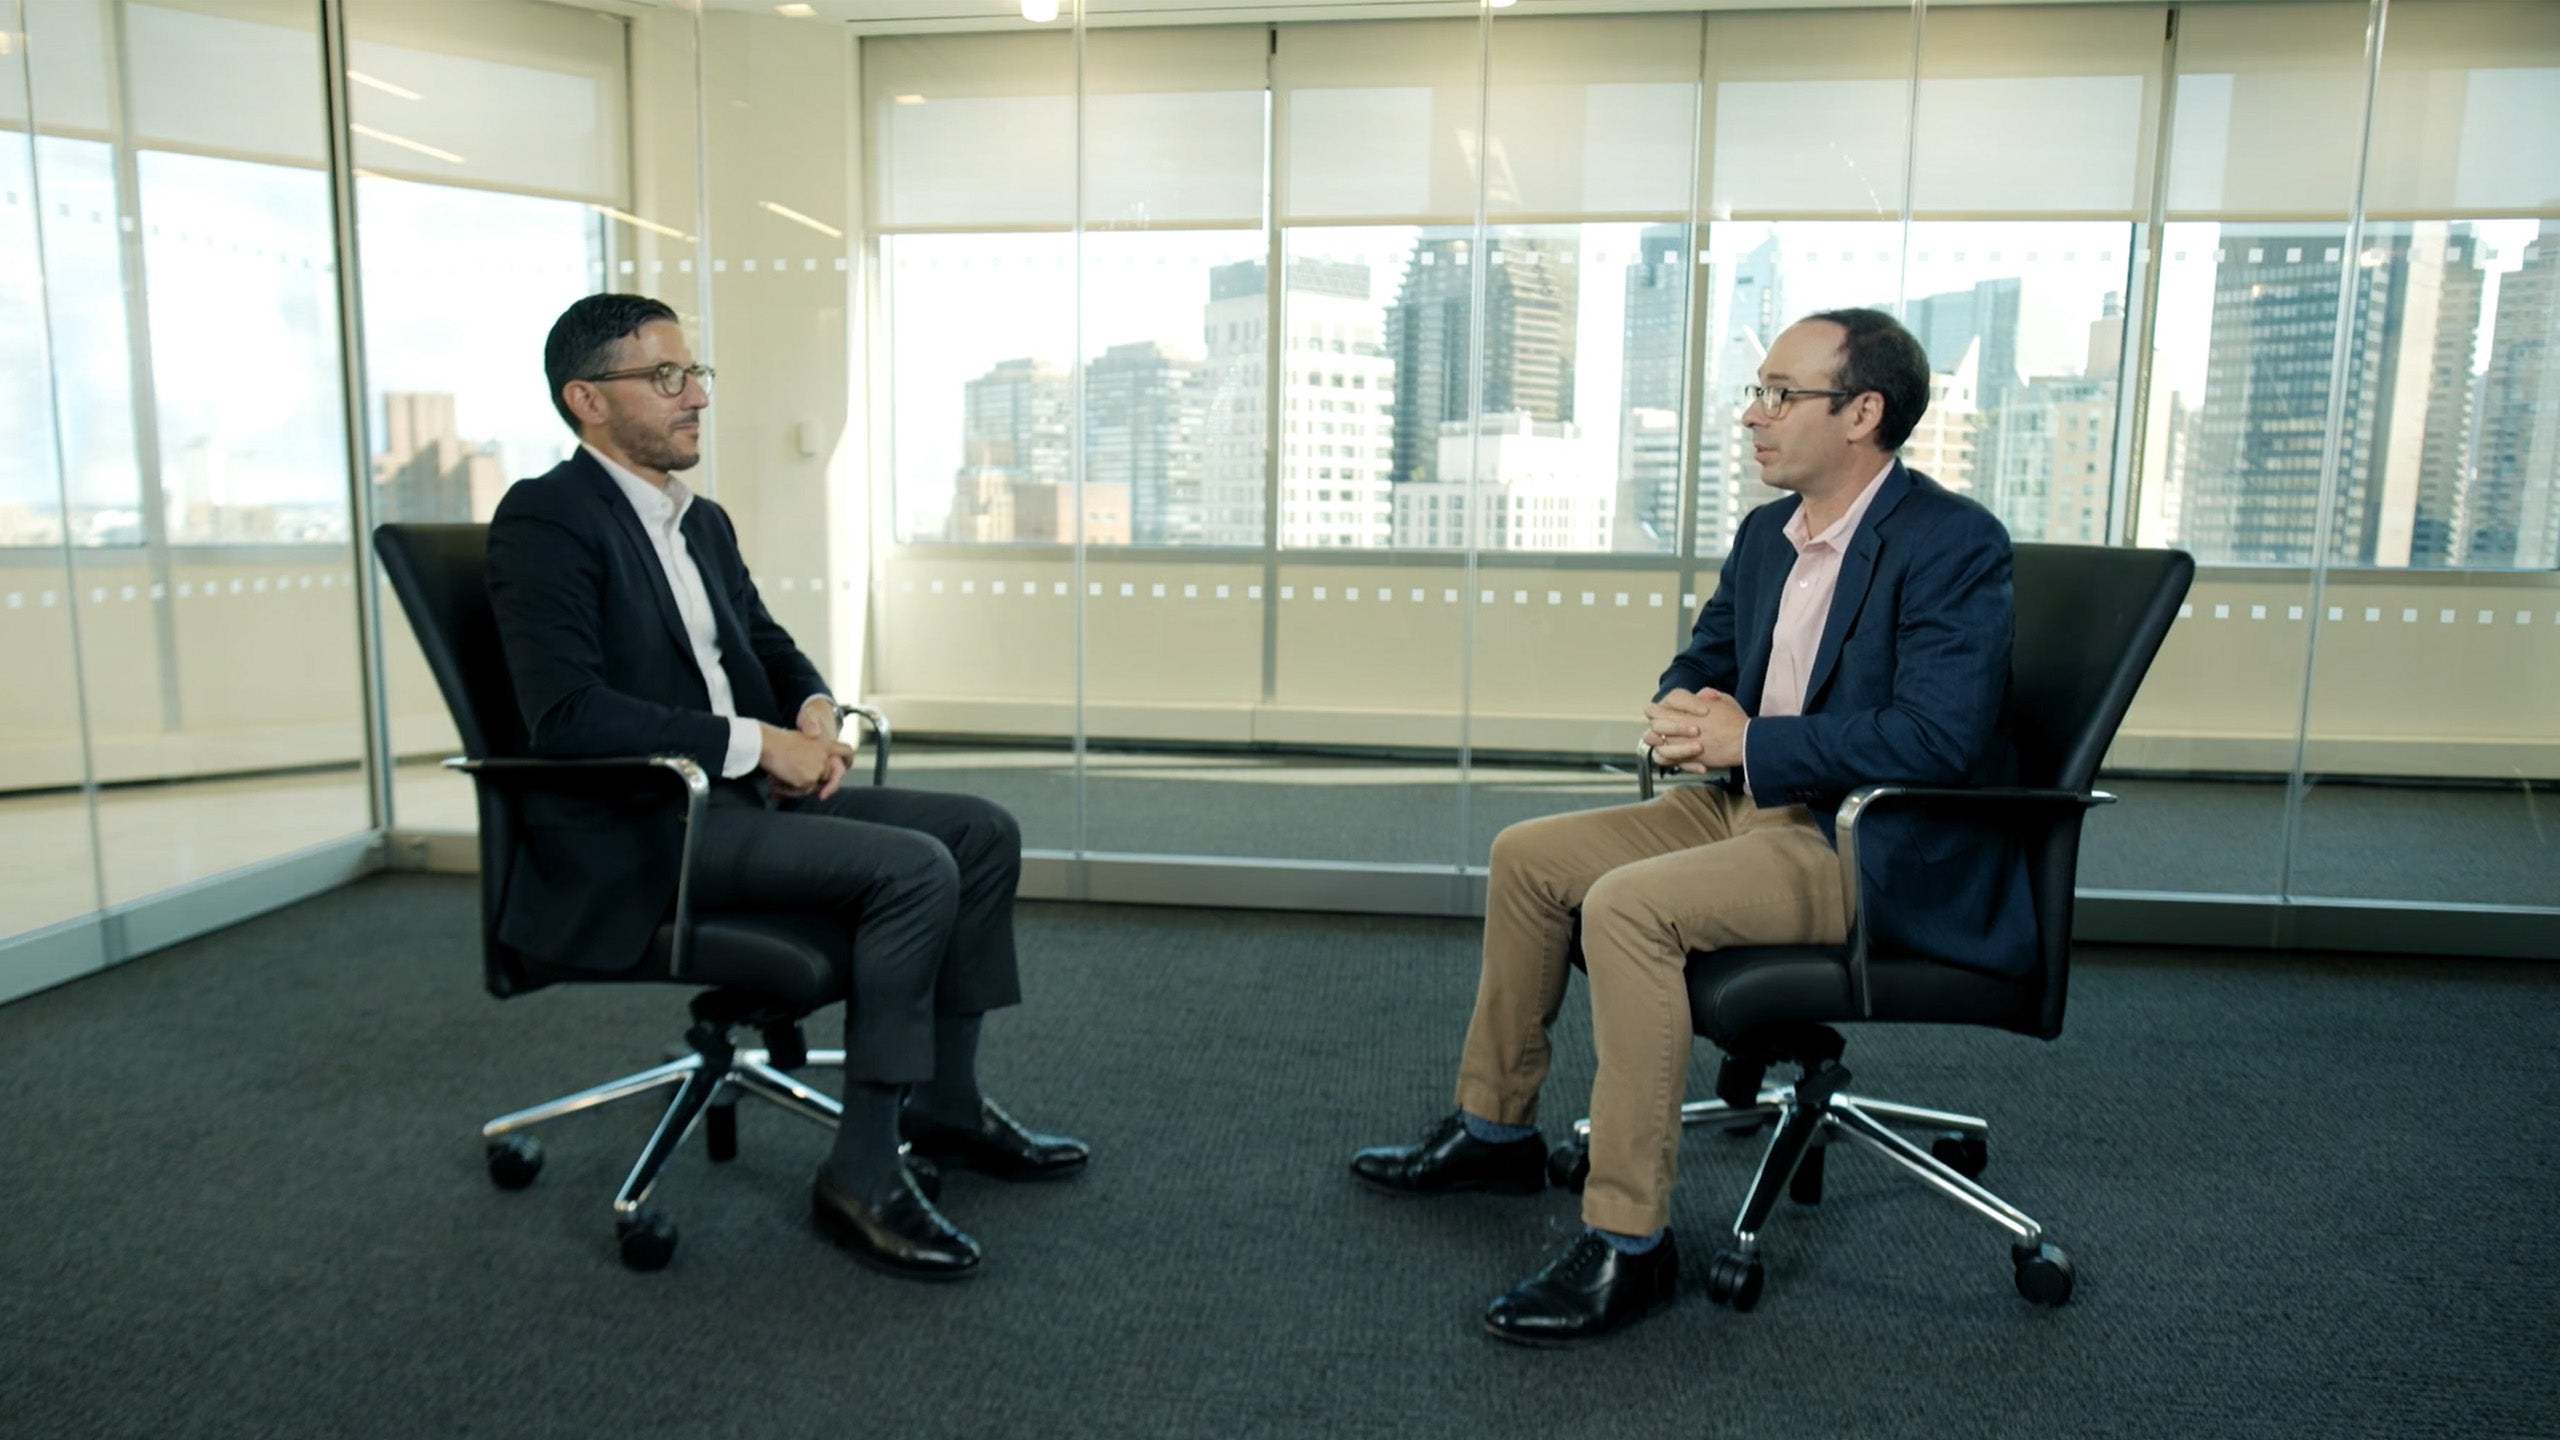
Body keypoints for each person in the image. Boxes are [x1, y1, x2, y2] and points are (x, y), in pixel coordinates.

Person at [1351, 308, 2033, 1345]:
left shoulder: (1952, 544)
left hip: (1865, 842)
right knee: (1528, 858)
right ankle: (1495, 1128)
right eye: (1754, 392)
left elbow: (1933, 740)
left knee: (1625, 909)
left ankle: (1630, 1241)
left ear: (1862, 413)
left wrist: (1749, 741)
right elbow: (1707, 655)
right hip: (1741, 803)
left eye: (1779, 394)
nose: (1752, 417)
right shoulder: (1771, 532)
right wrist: (1684, 709)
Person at [484, 293, 1087, 1283]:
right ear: (586, 400)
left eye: (696, 374)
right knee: (914, 871)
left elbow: (762, 643)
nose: (696, 398)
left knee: (980, 831)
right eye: (665, 378)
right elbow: (567, 715)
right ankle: (861, 1176)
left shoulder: (698, 523)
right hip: (640, 831)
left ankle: (945, 1105)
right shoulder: (546, 520)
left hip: (731, 805)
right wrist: (755, 744)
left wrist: (808, 707)